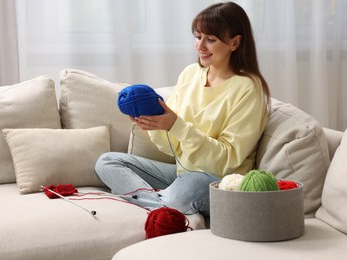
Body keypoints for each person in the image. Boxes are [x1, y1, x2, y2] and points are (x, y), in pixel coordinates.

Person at [95, 2, 270, 217]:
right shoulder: (190, 74)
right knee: (108, 161)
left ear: (235, 43)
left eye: (211, 40)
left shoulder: (248, 88)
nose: (200, 46)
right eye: (198, 37)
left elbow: (228, 161)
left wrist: (176, 126)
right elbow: (174, 149)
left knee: (192, 184)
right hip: (182, 174)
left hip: (218, 182)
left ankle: (161, 205)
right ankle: (165, 207)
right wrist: (156, 124)